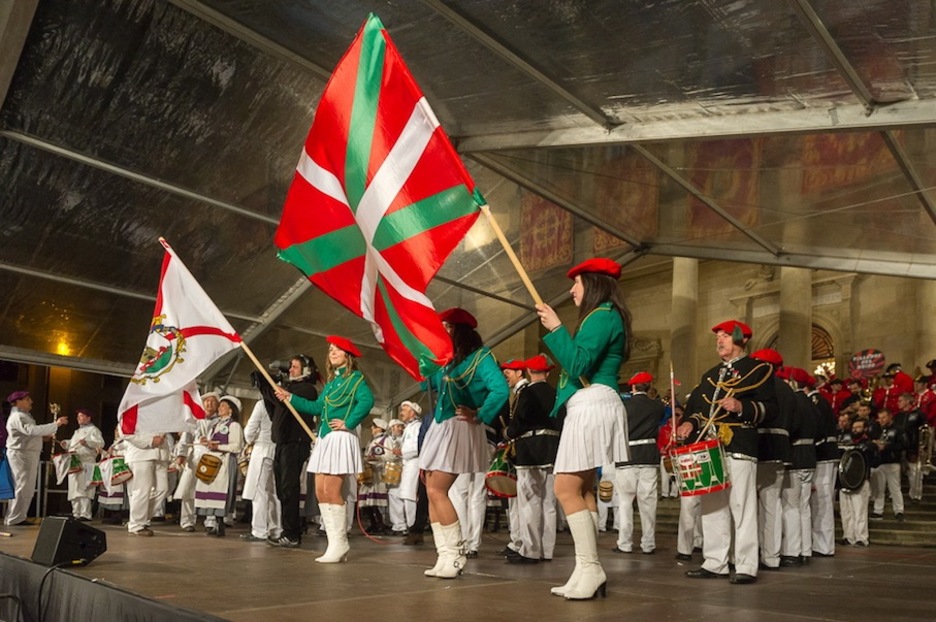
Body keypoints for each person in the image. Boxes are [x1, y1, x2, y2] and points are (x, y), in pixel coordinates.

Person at [536, 257, 631, 600]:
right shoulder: (603, 315)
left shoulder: (602, 315)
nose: (572, 290)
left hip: (593, 404)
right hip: (590, 403)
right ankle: (584, 568)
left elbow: (577, 363)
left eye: (576, 283)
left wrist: (555, 328)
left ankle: (591, 568)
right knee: (583, 490)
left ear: (592, 284)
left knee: (565, 488)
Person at [677, 320, 777, 585]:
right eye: (717, 337)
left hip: (740, 444)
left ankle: (745, 565)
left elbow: (770, 409)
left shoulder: (758, 369)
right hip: (711, 447)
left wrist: (741, 406)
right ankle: (715, 562)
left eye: (725, 337)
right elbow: (701, 411)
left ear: (741, 340)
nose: (719, 341)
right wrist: (690, 422)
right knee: (712, 506)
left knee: (742, 506)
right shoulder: (710, 375)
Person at [419, 307, 509, 579]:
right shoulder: (448, 359)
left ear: (460, 330)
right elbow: (427, 385)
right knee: (431, 487)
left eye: (446, 327)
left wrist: (480, 414)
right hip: (441, 425)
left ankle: (457, 554)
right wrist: (427, 358)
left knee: (438, 490)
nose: (442, 331)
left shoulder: (481, 356)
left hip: (459, 426)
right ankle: (444, 554)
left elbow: (501, 389)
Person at [276, 336, 374, 563]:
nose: (333, 352)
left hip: (340, 437)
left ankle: (339, 544)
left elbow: (367, 402)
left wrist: (348, 422)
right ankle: (335, 543)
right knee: (320, 490)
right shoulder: (332, 383)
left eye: (338, 349)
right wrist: (290, 397)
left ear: (348, 355)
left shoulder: (355, 379)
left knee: (332, 491)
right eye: (330, 349)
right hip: (325, 438)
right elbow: (316, 407)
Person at [255, 355, 319, 548]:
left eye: (295, 367)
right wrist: (264, 385)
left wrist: (265, 383)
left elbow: (283, 401)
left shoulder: (307, 390)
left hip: (295, 442)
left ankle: (292, 533)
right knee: (283, 489)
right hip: (282, 442)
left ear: (306, 371)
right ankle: (289, 529)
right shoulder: (288, 389)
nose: (290, 370)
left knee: (290, 487)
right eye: (289, 366)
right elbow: (274, 407)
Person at [504, 354, 560, 563]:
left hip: (530, 449)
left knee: (529, 501)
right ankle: (547, 550)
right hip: (553, 448)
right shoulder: (557, 393)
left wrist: (507, 433)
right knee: (549, 502)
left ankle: (530, 550)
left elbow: (518, 422)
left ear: (528, 372)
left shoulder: (525, 394)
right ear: (547, 372)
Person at [749, 349, 792, 571]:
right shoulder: (787, 389)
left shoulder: (757, 385)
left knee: (750, 506)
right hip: (780, 451)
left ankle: (749, 553)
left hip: (759, 447)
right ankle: (772, 556)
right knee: (772, 505)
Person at [613, 371, 664, 555]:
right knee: (648, 503)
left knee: (625, 503)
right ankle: (648, 544)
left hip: (627, 455)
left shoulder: (623, 407)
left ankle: (624, 543)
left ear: (632, 387)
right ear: (648, 387)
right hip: (648, 456)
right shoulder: (657, 406)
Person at [4, 391, 68, 526]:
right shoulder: (18, 416)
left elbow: (30, 434)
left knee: (26, 487)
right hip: (21, 454)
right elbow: (31, 431)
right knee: (22, 486)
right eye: (27, 399)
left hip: (27, 454)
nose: (30, 402)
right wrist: (56, 424)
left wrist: (43, 437)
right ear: (18, 402)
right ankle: (14, 518)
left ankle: (19, 516)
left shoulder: (24, 416)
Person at [195, 395, 244, 537]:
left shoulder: (234, 425)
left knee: (222, 492)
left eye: (223, 406)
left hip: (225, 462)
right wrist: (206, 442)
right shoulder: (216, 425)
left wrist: (218, 446)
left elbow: (237, 446)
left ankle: (221, 523)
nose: (219, 408)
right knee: (212, 492)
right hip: (214, 463)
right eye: (220, 405)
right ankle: (215, 522)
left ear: (231, 410)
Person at [174, 390, 220, 533]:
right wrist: (181, 454)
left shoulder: (221, 421)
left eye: (213, 401)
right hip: (195, 456)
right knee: (189, 489)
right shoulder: (194, 419)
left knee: (211, 490)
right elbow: (185, 438)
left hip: (213, 457)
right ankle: (187, 520)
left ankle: (211, 521)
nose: (209, 403)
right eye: (207, 401)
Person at [241, 398, 281, 542]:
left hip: (262, 449)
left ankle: (259, 530)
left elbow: (249, 431)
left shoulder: (262, 404)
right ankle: (276, 529)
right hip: (277, 450)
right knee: (275, 492)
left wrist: (250, 439)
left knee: (259, 492)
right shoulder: (283, 402)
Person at [124, 426, 172, 537]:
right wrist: (150, 441)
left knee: (162, 489)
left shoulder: (161, 411)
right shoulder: (132, 410)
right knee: (142, 490)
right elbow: (125, 432)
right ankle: (137, 524)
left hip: (160, 453)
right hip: (141, 453)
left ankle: (139, 519)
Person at [839, 418, 880, 546]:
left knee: (860, 510)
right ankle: (848, 536)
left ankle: (861, 537)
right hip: (845, 481)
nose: (855, 429)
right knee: (846, 511)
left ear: (865, 429)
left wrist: (870, 448)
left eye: (858, 427)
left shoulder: (869, 444)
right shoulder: (846, 443)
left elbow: (876, 462)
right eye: (854, 427)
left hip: (861, 481)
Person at [62, 409, 104, 521]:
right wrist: (66, 443)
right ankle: (76, 512)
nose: (78, 418)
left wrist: (87, 443)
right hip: (75, 461)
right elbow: (73, 444)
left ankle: (85, 514)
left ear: (88, 418)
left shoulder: (94, 430)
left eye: (81, 416)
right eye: (78, 416)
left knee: (84, 488)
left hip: (86, 462)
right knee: (74, 489)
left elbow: (100, 444)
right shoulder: (77, 432)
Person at [358, 418, 392, 534]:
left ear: (379, 428)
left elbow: (390, 456)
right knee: (367, 502)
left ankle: (381, 524)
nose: (372, 428)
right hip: (369, 474)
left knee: (376, 501)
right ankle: (373, 523)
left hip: (378, 473)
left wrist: (378, 458)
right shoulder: (371, 441)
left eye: (373, 426)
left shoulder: (386, 440)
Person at [870, 408, 905, 521]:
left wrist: (886, 447)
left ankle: (899, 511)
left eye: (884, 417)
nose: (881, 420)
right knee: (879, 489)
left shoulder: (898, 429)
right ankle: (878, 511)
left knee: (895, 488)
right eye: (880, 418)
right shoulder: (877, 429)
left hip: (893, 462)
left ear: (890, 416)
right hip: (880, 462)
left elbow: (903, 445)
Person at [397, 401, 423, 532]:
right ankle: (409, 526)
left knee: (409, 495)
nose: (401, 413)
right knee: (405, 495)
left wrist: (401, 452)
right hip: (407, 464)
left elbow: (418, 447)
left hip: (414, 463)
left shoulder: (417, 426)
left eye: (404, 410)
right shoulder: (409, 427)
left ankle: (413, 527)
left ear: (412, 412)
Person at [385, 418, 407, 535]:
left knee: (399, 498)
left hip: (404, 471)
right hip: (394, 473)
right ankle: (398, 525)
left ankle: (401, 526)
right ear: (391, 428)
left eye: (401, 427)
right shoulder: (388, 440)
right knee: (394, 497)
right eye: (397, 426)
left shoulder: (404, 439)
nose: (400, 429)